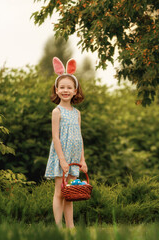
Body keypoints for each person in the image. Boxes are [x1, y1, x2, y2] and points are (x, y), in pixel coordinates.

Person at [44, 57, 87, 229]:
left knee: (71, 194)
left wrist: (82, 160)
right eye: (62, 87)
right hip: (61, 156)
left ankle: (71, 227)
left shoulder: (77, 113)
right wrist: (62, 160)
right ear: (56, 90)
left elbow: (79, 137)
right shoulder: (57, 111)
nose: (65, 90)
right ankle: (58, 227)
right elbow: (55, 137)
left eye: (69, 88)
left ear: (75, 91)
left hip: (74, 157)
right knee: (60, 192)